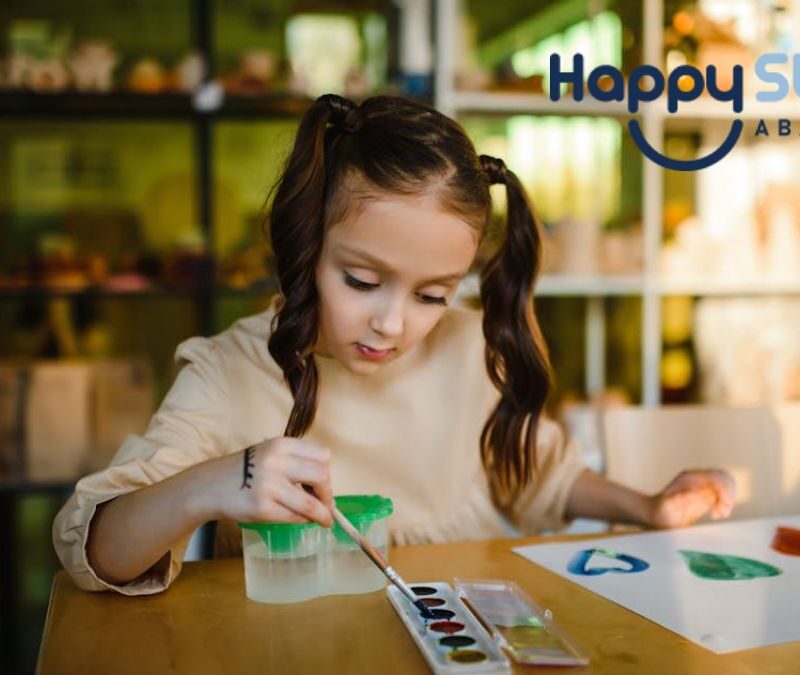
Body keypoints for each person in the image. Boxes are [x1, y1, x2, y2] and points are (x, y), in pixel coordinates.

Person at [53, 94, 735, 595]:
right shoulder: (229, 372)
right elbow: (97, 554)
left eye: (432, 295)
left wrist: (648, 507)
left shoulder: (470, 347)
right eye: (361, 281)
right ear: (306, 244)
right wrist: (211, 483)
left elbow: (538, 474)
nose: (392, 323)